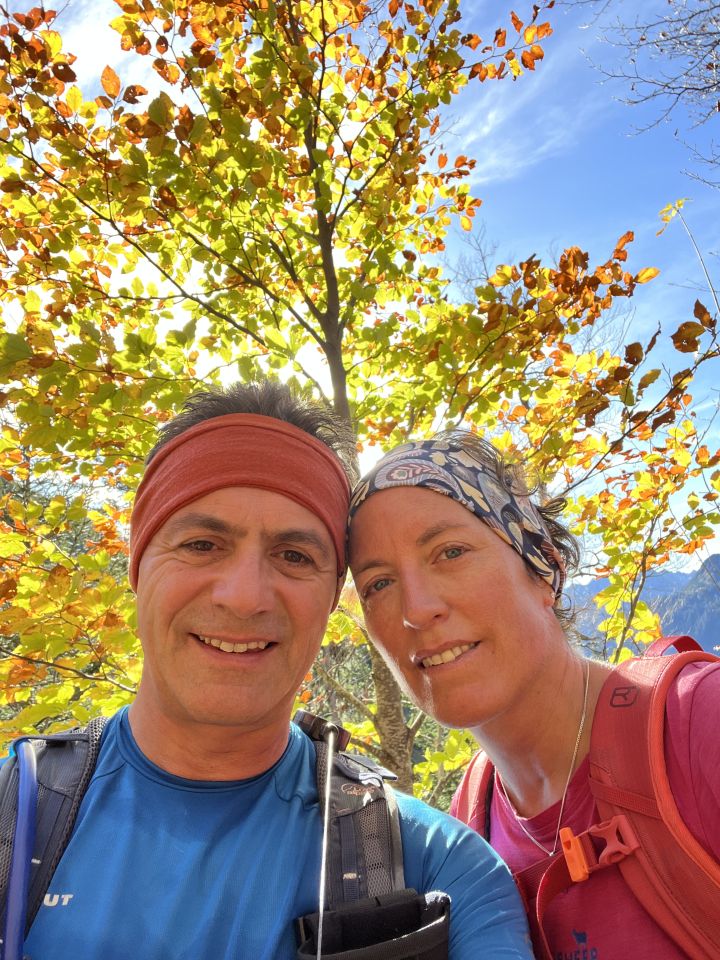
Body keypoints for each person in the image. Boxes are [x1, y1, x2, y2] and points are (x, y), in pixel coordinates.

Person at [5, 383, 534, 960]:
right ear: (138, 564)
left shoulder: (443, 872)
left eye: (294, 556)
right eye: (203, 544)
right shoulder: (17, 814)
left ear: (331, 598)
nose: (244, 596)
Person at [348, 431, 720, 960]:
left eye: (450, 552)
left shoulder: (697, 724)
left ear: (543, 567)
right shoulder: (467, 827)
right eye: (378, 584)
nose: (416, 609)